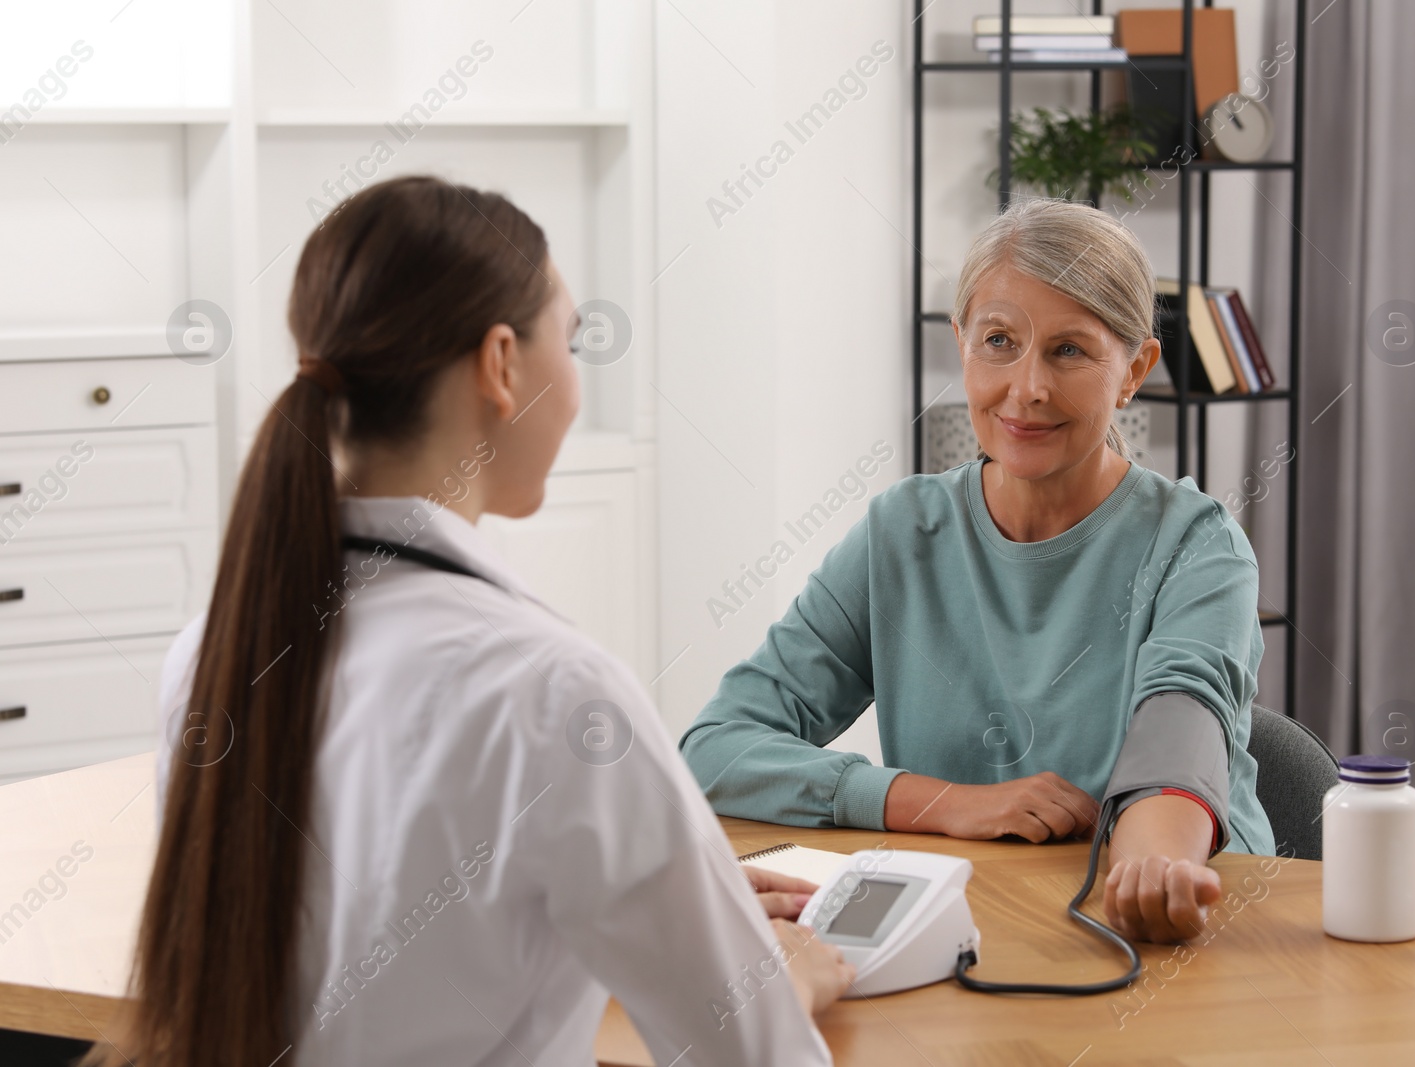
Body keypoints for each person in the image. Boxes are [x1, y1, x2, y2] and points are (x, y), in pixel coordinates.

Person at [86, 176, 849, 1067]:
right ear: (500, 363)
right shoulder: (556, 692)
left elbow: (372, 969)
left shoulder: (209, 655)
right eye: (570, 338)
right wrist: (777, 980)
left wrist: (644, 909)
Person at [681, 198, 1276, 946]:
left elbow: (1176, 745)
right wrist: (943, 803)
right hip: (973, 923)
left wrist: (1153, 869)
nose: (1026, 388)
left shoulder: (1198, 544)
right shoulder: (902, 532)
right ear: (961, 343)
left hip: (1176, 930)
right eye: (999, 340)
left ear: (1134, 372)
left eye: (1069, 351)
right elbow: (717, 744)